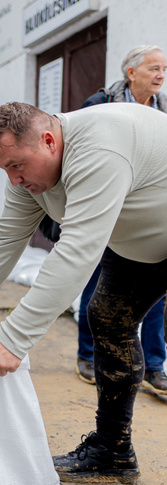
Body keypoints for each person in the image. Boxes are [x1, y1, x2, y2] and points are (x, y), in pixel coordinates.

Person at [0, 101, 167, 483]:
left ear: (49, 141)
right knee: (107, 318)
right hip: (138, 244)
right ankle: (113, 451)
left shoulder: (99, 147)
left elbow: (78, 249)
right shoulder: (27, 177)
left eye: (16, 165)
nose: (13, 179)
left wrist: (13, 339)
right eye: (4, 169)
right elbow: (6, 238)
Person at [71, 45, 167, 393]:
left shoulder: (164, 108)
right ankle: (88, 354)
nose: (160, 75)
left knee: (155, 292)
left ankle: (155, 366)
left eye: (163, 69)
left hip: (148, 213)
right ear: (131, 73)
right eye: (154, 68)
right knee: (96, 281)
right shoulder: (100, 103)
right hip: (106, 207)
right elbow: (75, 151)